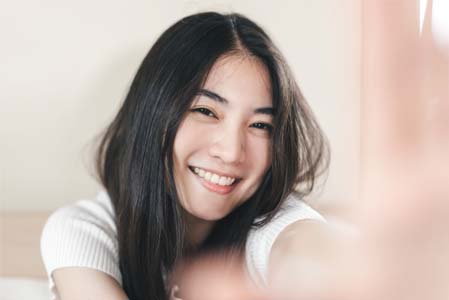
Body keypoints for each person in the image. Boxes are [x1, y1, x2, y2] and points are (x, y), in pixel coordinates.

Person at [40, 12, 330, 300]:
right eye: (205, 111)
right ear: (153, 112)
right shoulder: (84, 231)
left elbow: (307, 250)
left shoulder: (273, 226)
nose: (230, 152)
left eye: (260, 125)